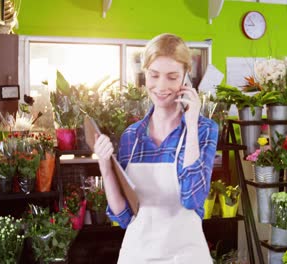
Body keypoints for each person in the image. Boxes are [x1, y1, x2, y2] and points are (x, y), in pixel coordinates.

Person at [94, 33, 219, 263]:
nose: (161, 86)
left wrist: (191, 124)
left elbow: (193, 199)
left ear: (185, 78)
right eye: (154, 75)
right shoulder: (132, 136)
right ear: (145, 74)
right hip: (137, 256)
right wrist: (105, 165)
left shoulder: (203, 129)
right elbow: (122, 216)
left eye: (172, 77)